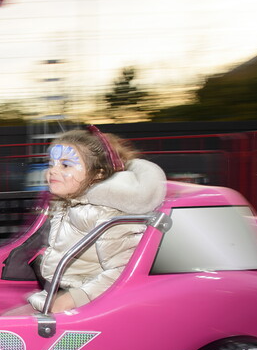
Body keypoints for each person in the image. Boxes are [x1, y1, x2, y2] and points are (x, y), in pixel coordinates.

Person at [27, 126, 166, 312]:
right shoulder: (69, 202)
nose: (52, 170)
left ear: (98, 173)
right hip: (62, 288)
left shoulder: (107, 212)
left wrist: (72, 299)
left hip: (91, 303)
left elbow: (124, 271)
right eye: (51, 163)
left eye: (65, 165)